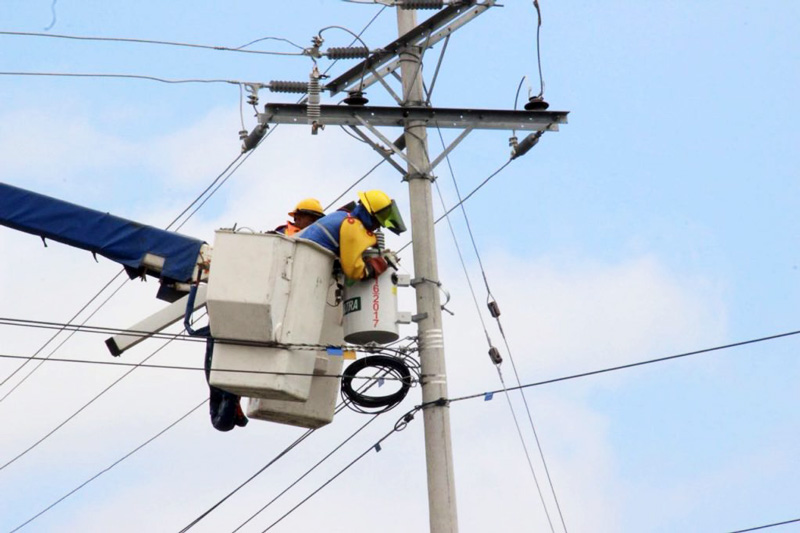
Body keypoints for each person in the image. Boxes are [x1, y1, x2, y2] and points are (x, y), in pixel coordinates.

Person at [297, 190, 406, 281]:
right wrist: (383, 262)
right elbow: (354, 271)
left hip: (301, 262)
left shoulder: (342, 215)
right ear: (371, 215)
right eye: (379, 220)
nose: (379, 225)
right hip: (307, 267)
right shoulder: (353, 225)